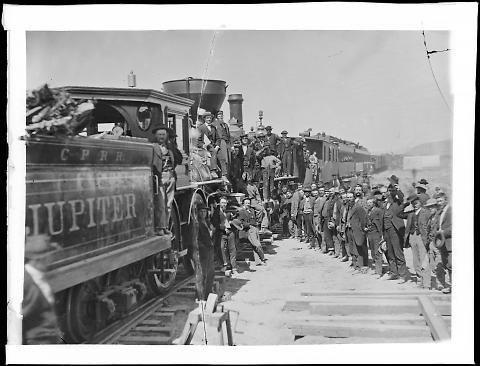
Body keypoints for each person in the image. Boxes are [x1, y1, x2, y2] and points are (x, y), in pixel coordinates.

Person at [23, 233, 63, 344]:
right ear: (40, 259)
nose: (52, 258)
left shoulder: (40, 276)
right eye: (50, 255)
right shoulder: (24, 282)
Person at [400, 193, 431, 289]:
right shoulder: (411, 213)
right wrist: (406, 203)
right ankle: (419, 279)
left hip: (422, 237)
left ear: (421, 203)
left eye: (416, 202)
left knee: (423, 260)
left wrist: (428, 237)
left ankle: (425, 282)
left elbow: (430, 225)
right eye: (413, 203)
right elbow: (398, 213)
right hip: (412, 237)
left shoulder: (426, 212)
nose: (415, 204)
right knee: (415, 260)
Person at [152, 126, 177, 236]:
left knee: (168, 204)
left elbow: (178, 159)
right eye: (159, 134)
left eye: (163, 134)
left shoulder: (170, 147)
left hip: (170, 176)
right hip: (160, 177)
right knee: (160, 204)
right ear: (156, 136)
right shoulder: (153, 147)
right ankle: (159, 227)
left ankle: (165, 226)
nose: (162, 137)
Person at [382, 184, 408, 283]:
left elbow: (401, 197)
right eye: (387, 191)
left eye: (391, 191)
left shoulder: (397, 202)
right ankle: (394, 273)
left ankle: (402, 275)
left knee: (398, 253)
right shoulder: (384, 204)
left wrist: (398, 189)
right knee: (390, 253)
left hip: (395, 231)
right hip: (386, 231)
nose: (389, 193)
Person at [425, 198, 447, 291]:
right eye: (429, 207)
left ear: (435, 207)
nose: (430, 209)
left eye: (432, 207)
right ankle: (432, 283)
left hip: (438, 242)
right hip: (431, 242)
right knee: (432, 264)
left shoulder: (439, 217)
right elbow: (428, 230)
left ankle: (441, 283)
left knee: (439, 264)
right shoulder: (430, 218)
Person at [237, 198, 267, 265]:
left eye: (248, 203)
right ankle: (263, 258)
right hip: (249, 229)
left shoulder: (252, 210)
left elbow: (260, 209)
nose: (248, 204)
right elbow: (241, 222)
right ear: (243, 204)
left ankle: (258, 261)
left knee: (255, 246)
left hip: (255, 228)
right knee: (257, 245)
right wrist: (249, 225)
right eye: (246, 203)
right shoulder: (241, 211)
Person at [433, 192, 452, 293]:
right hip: (442, 243)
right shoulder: (440, 212)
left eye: (441, 201)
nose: (439, 203)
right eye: (438, 201)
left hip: (450, 242)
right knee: (448, 265)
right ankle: (451, 287)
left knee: (452, 265)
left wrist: (443, 232)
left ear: (446, 200)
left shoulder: (451, 211)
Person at [196, 202, 215, 300]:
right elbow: (196, 239)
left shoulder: (208, 222)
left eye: (205, 211)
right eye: (201, 212)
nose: (203, 213)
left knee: (211, 273)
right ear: (198, 213)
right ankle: (201, 297)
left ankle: (208, 294)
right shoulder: (197, 224)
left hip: (210, 250)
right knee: (202, 274)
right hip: (203, 251)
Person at [348, 188, 368, 273]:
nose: (349, 199)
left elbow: (363, 219)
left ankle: (363, 266)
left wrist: (362, 228)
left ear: (354, 198)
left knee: (360, 247)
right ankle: (357, 265)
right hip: (352, 230)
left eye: (351, 198)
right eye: (348, 198)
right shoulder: (350, 207)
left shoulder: (358, 207)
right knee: (355, 248)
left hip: (358, 230)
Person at [211, 197, 232, 272]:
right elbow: (215, 223)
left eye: (225, 203)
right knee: (221, 247)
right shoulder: (217, 212)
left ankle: (229, 264)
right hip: (220, 232)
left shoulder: (226, 210)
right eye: (222, 203)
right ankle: (224, 264)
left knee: (230, 248)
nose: (224, 204)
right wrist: (224, 228)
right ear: (219, 203)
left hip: (228, 232)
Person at [366, 195, 384, 277]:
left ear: (374, 203)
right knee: (372, 251)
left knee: (377, 252)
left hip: (376, 233)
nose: (369, 204)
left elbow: (380, 223)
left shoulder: (378, 211)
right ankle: (377, 269)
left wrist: (381, 235)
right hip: (370, 234)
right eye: (368, 203)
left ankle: (379, 271)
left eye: (370, 202)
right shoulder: (368, 211)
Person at [212, 110, 232, 179]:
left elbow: (228, 135)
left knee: (229, 160)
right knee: (223, 159)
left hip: (227, 143)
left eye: (221, 116)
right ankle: (223, 175)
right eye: (219, 116)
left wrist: (230, 145)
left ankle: (227, 174)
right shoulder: (214, 124)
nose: (220, 117)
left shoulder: (225, 125)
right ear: (216, 117)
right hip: (221, 142)